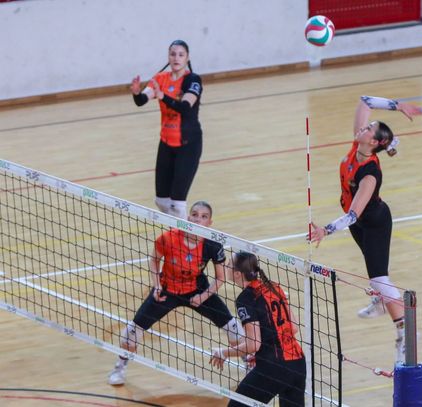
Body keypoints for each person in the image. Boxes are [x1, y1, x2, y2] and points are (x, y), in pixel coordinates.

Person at [310, 95, 422, 364]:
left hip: (374, 223)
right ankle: (382, 301)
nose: (365, 126)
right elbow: (365, 101)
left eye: (370, 128)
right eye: (369, 125)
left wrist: (325, 230)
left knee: (379, 279)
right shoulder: (357, 144)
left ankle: (406, 333)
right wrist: (398, 106)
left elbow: (352, 215)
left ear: (373, 142)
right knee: (377, 278)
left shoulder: (369, 174)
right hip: (360, 224)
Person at [108, 201, 243, 385]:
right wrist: (156, 286)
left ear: (209, 223)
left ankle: (249, 362)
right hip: (167, 290)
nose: (198, 219)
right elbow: (154, 260)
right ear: (188, 217)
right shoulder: (168, 238)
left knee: (233, 327)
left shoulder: (213, 244)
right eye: (194, 214)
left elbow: (220, 278)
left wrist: (203, 297)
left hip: (197, 290)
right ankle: (119, 368)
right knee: (133, 330)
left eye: (204, 217)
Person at [210, 251, 306, 406]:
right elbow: (293, 327)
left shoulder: (246, 299)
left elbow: (253, 344)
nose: (226, 266)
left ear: (237, 274)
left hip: (273, 367)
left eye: (229, 265)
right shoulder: (274, 286)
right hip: (298, 364)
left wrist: (224, 353)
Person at [131, 39, 203, 219]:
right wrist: (136, 93)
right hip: (166, 143)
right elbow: (142, 100)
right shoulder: (160, 78)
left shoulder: (192, 80)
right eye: (173, 54)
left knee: (177, 204)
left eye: (181, 55)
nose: (176, 58)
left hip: (188, 145)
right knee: (161, 201)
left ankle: (184, 232)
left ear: (187, 58)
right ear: (168, 57)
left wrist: (163, 96)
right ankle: (183, 227)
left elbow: (185, 107)